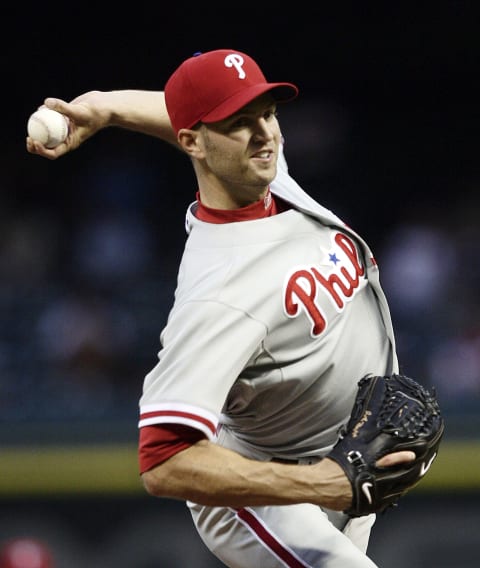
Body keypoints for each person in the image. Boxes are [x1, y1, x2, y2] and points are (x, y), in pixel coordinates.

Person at [27, 49, 415, 568]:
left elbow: (194, 121)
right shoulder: (219, 292)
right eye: (241, 123)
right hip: (261, 490)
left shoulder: (269, 181)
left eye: (268, 114)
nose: (266, 135)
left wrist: (105, 107)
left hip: (334, 464)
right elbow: (163, 460)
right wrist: (318, 483)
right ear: (196, 143)